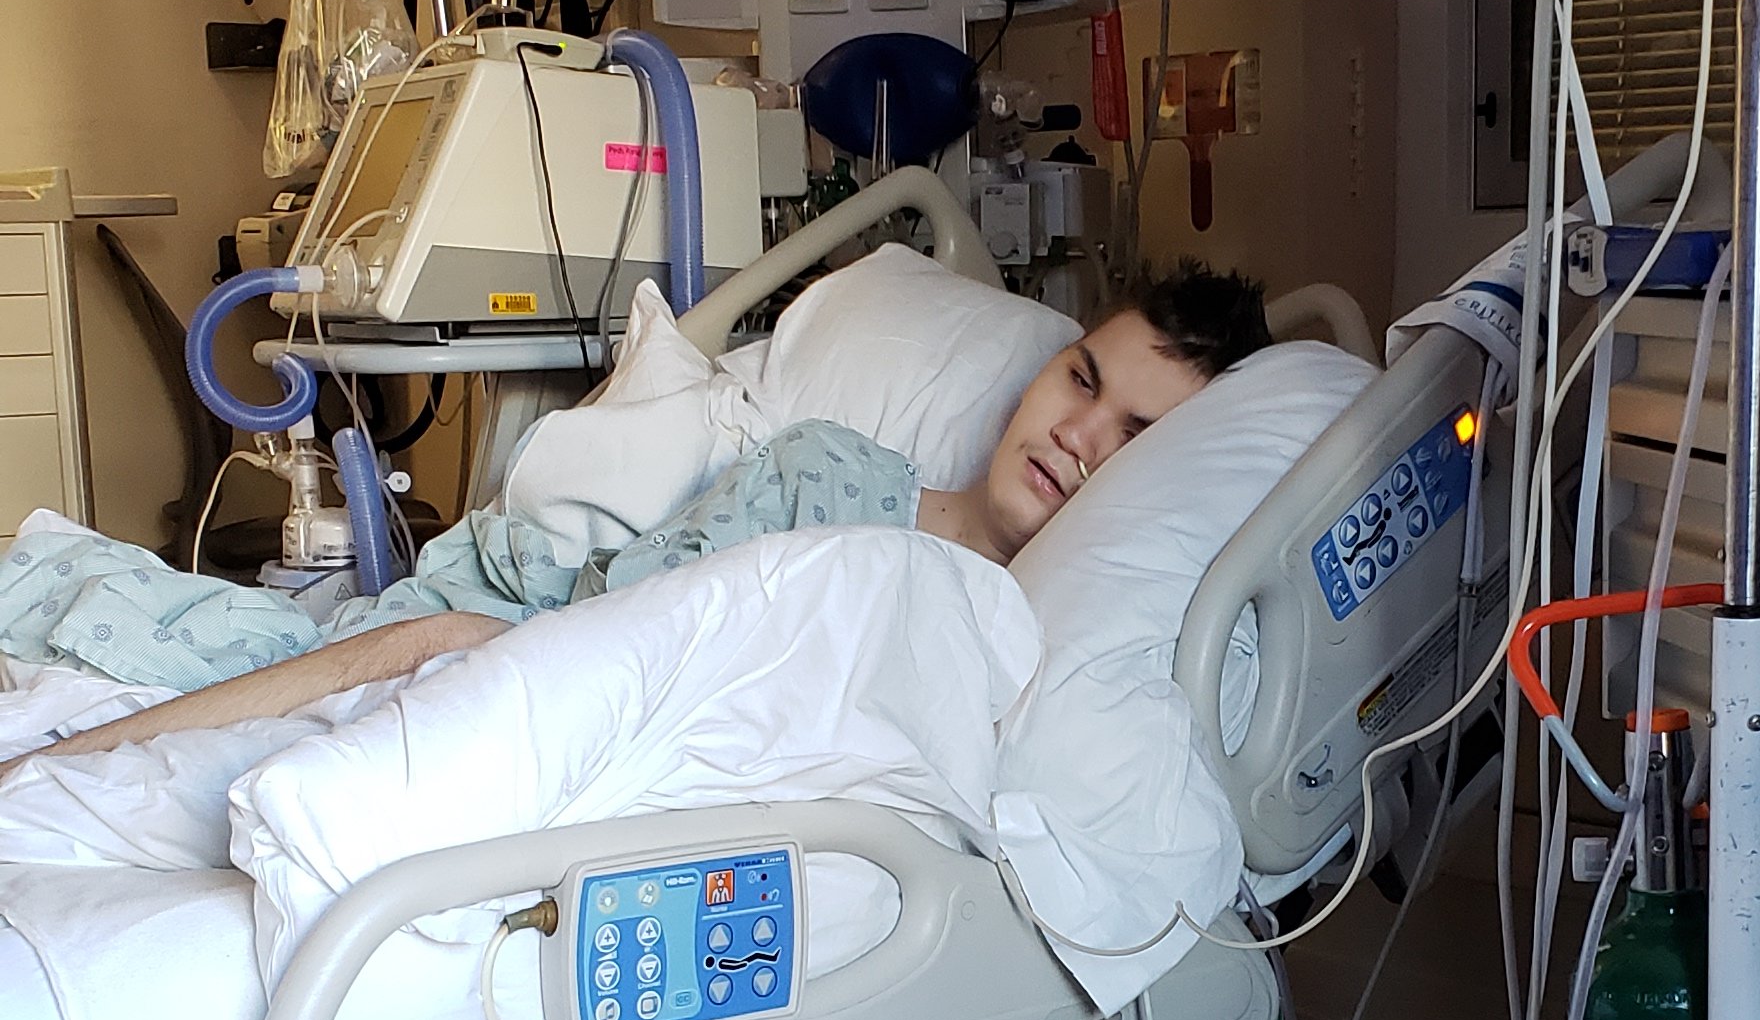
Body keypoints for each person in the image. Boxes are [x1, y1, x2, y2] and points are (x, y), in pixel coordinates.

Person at [9, 261, 1267, 775]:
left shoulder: (1034, 642)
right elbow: (633, 618)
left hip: (630, 721)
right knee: (410, 647)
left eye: (1133, 436)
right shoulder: (832, 476)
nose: (1077, 433)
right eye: (1081, 381)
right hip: (554, 640)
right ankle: (48, 772)